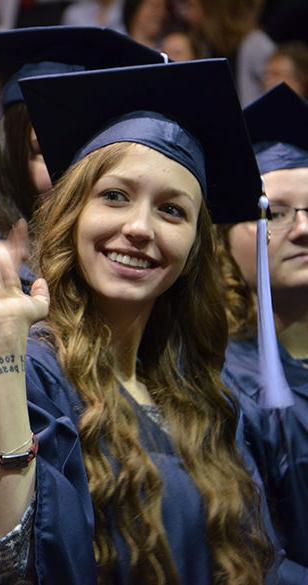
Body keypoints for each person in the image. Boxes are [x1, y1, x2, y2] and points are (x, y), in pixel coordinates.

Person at [0, 59, 281, 583]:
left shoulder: (206, 395)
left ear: (195, 247)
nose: (138, 227)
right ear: (73, 214)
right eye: (115, 197)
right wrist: (1, 355)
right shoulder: (38, 373)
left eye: (172, 211)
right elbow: (9, 568)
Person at [0, 26, 163, 393]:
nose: (72, 175)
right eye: (45, 152)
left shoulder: (119, 279)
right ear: (10, 157)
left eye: (90, 154)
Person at [217, 83, 308, 583]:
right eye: (274, 213)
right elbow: (249, 555)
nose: (303, 229)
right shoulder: (217, 383)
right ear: (224, 239)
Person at [180, 0, 274, 104]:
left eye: (192, 6)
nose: (186, 14)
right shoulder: (204, 44)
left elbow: (275, 97)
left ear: (213, 10)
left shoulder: (256, 45)